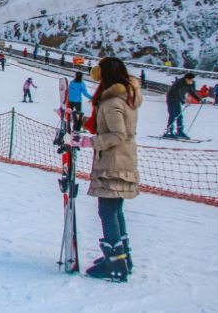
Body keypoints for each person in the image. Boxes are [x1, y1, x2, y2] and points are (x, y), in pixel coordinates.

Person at [70, 57, 141, 282]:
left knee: (107, 211)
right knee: (115, 210)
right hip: (120, 160)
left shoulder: (112, 101)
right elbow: (103, 125)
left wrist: (89, 143)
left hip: (113, 162)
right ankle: (121, 257)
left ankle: (115, 264)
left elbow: (117, 134)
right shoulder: (123, 96)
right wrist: (79, 120)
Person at [164, 73, 200, 139]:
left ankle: (180, 131)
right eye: (190, 79)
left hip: (177, 100)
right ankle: (169, 131)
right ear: (186, 78)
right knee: (172, 115)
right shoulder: (179, 83)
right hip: (171, 99)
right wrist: (183, 102)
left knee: (179, 116)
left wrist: (199, 100)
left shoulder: (188, 84)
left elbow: (191, 92)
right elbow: (177, 93)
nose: (191, 81)